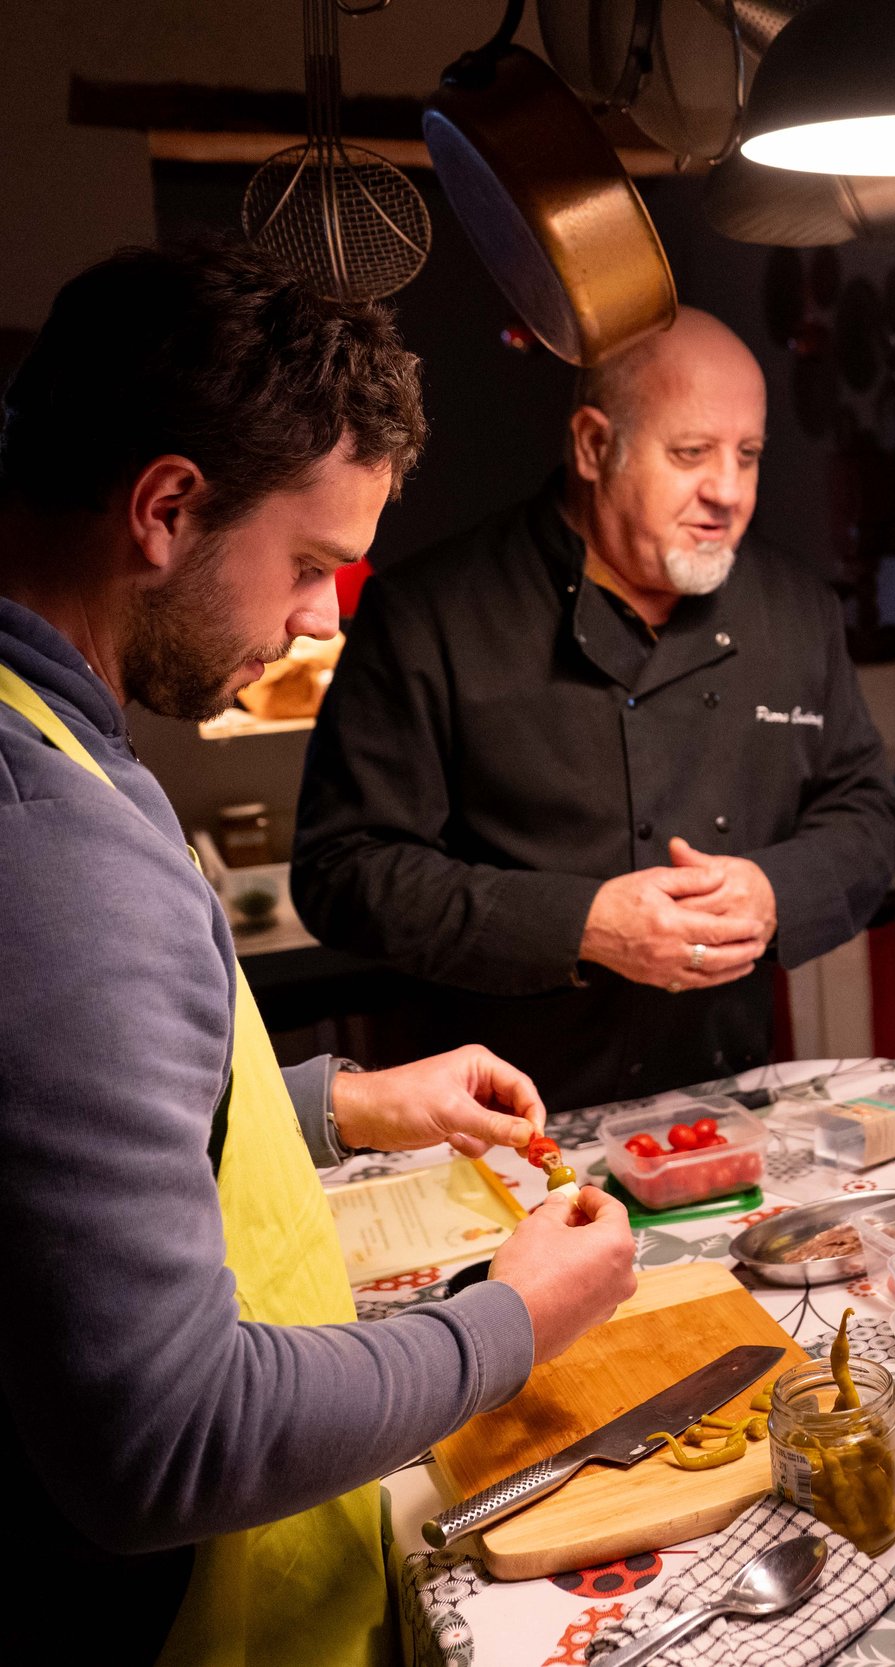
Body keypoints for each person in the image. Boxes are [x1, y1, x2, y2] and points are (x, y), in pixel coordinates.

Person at [0, 242, 638, 1665]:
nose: (317, 618)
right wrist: (511, 1322)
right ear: (166, 507)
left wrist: (341, 1102)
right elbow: (170, 1440)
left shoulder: (45, 738)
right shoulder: (51, 843)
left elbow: (60, 1156)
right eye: (306, 563)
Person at [292, 308, 895, 1113]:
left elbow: (868, 815)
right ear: (592, 445)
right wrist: (580, 923)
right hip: (498, 1125)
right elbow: (344, 870)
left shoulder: (795, 611)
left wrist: (773, 890)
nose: (727, 490)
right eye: (691, 453)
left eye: (748, 455)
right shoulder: (432, 615)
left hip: (725, 1113)